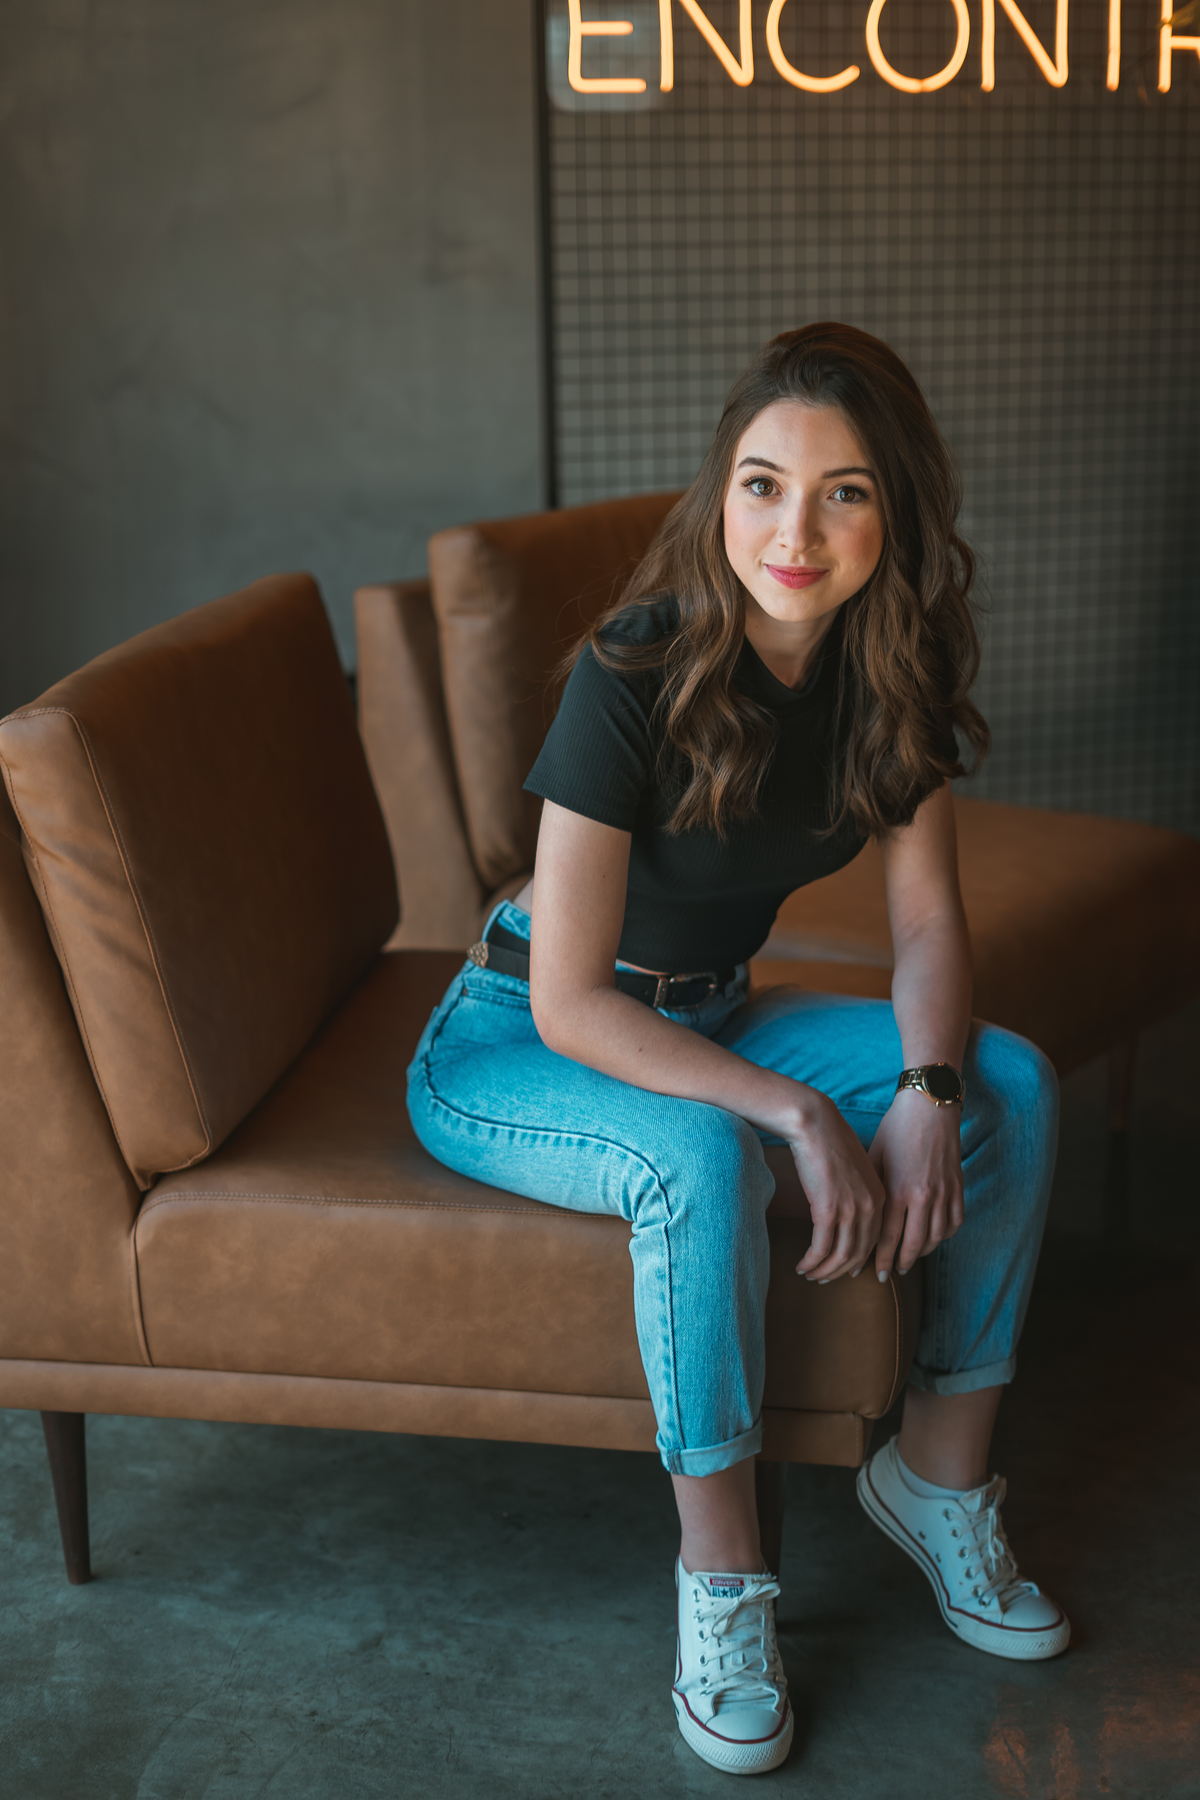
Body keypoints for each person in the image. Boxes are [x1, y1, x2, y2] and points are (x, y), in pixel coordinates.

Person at [407, 323, 1067, 1777]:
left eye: (843, 493)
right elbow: (577, 1001)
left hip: (704, 1008)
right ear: (723, 495)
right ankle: (723, 1583)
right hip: (519, 1034)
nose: (796, 527)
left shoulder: (894, 669)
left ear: (893, 515)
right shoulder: (635, 671)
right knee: (705, 1150)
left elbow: (928, 931)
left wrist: (924, 1087)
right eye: (764, 484)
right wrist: (800, 1112)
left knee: (1007, 1079)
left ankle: (936, 1481)